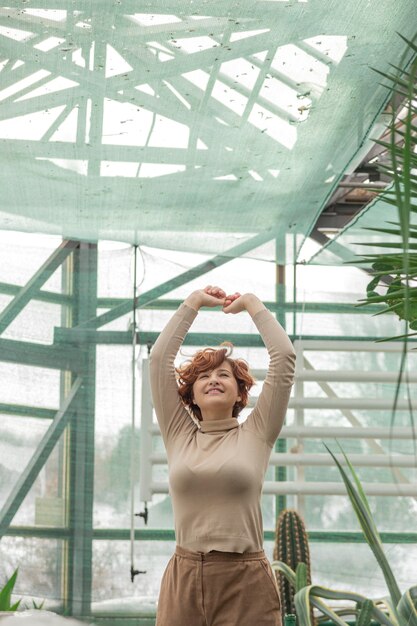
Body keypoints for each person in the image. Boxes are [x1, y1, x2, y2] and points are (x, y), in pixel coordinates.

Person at [149, 285, 296, 626]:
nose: (213, 379)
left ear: (240, 392)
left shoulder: (257, 433)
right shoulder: (179, 433)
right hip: (183, 578)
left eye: (223, 374)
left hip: (245, 581)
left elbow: (284, 357)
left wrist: (252, 304)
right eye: (203, 376)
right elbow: (159, 362)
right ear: (191, 396)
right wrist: (194, 303)